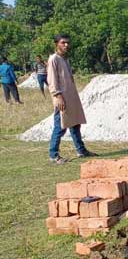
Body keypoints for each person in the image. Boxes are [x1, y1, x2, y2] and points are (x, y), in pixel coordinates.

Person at [47, 34, 96, 164]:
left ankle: (81, 150)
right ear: (56, 44)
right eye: (63, 43)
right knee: (60, 126)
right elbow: (52, 81)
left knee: (75, 125)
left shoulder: (65, 59)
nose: (66, 45)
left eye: (68, 43)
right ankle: (53, 155)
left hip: (71, 97)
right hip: (61, 99)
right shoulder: (54, 59)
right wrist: (58, 96)